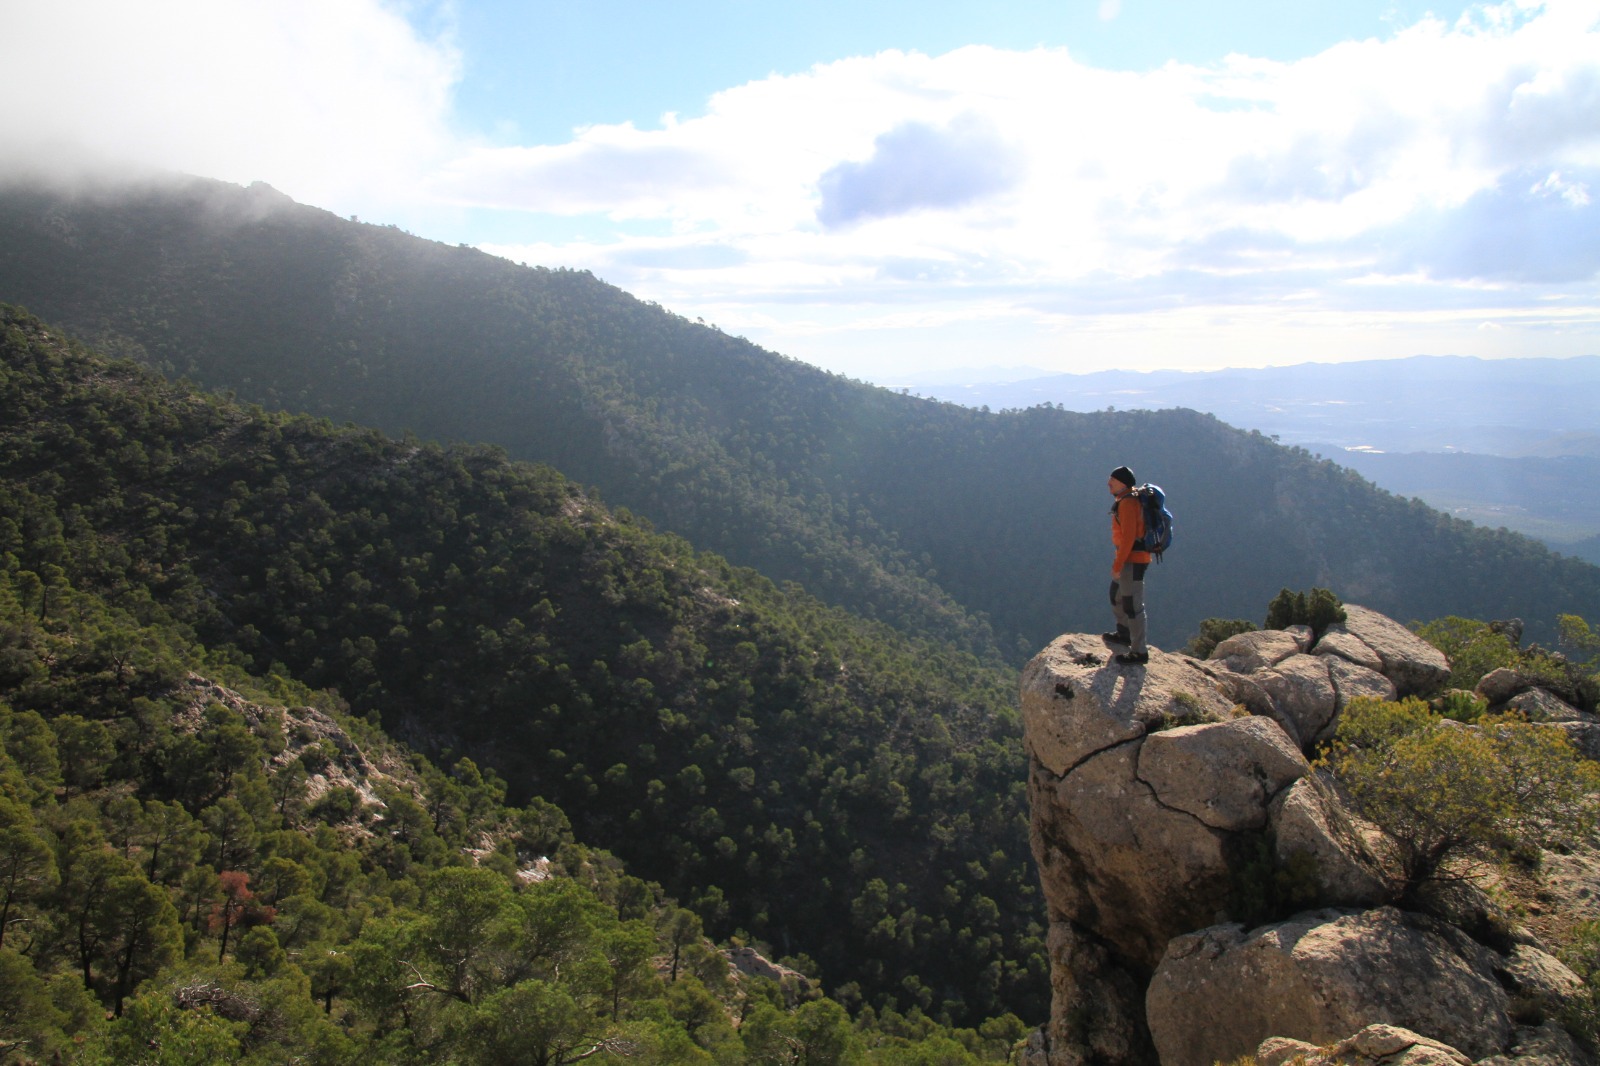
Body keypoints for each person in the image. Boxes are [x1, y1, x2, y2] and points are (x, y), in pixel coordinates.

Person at [1104, 465, 1150, 665]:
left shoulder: (1129, 503)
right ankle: (1124, 634)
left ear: (1122, 482)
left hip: (1133, 559)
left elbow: (1129, 537)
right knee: (1116, 595)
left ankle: (1139, 651)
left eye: (1111, 480)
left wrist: (1118, 563)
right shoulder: (1125, 500)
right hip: (1128, 558)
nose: (1108, 484)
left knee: (1132, 604)